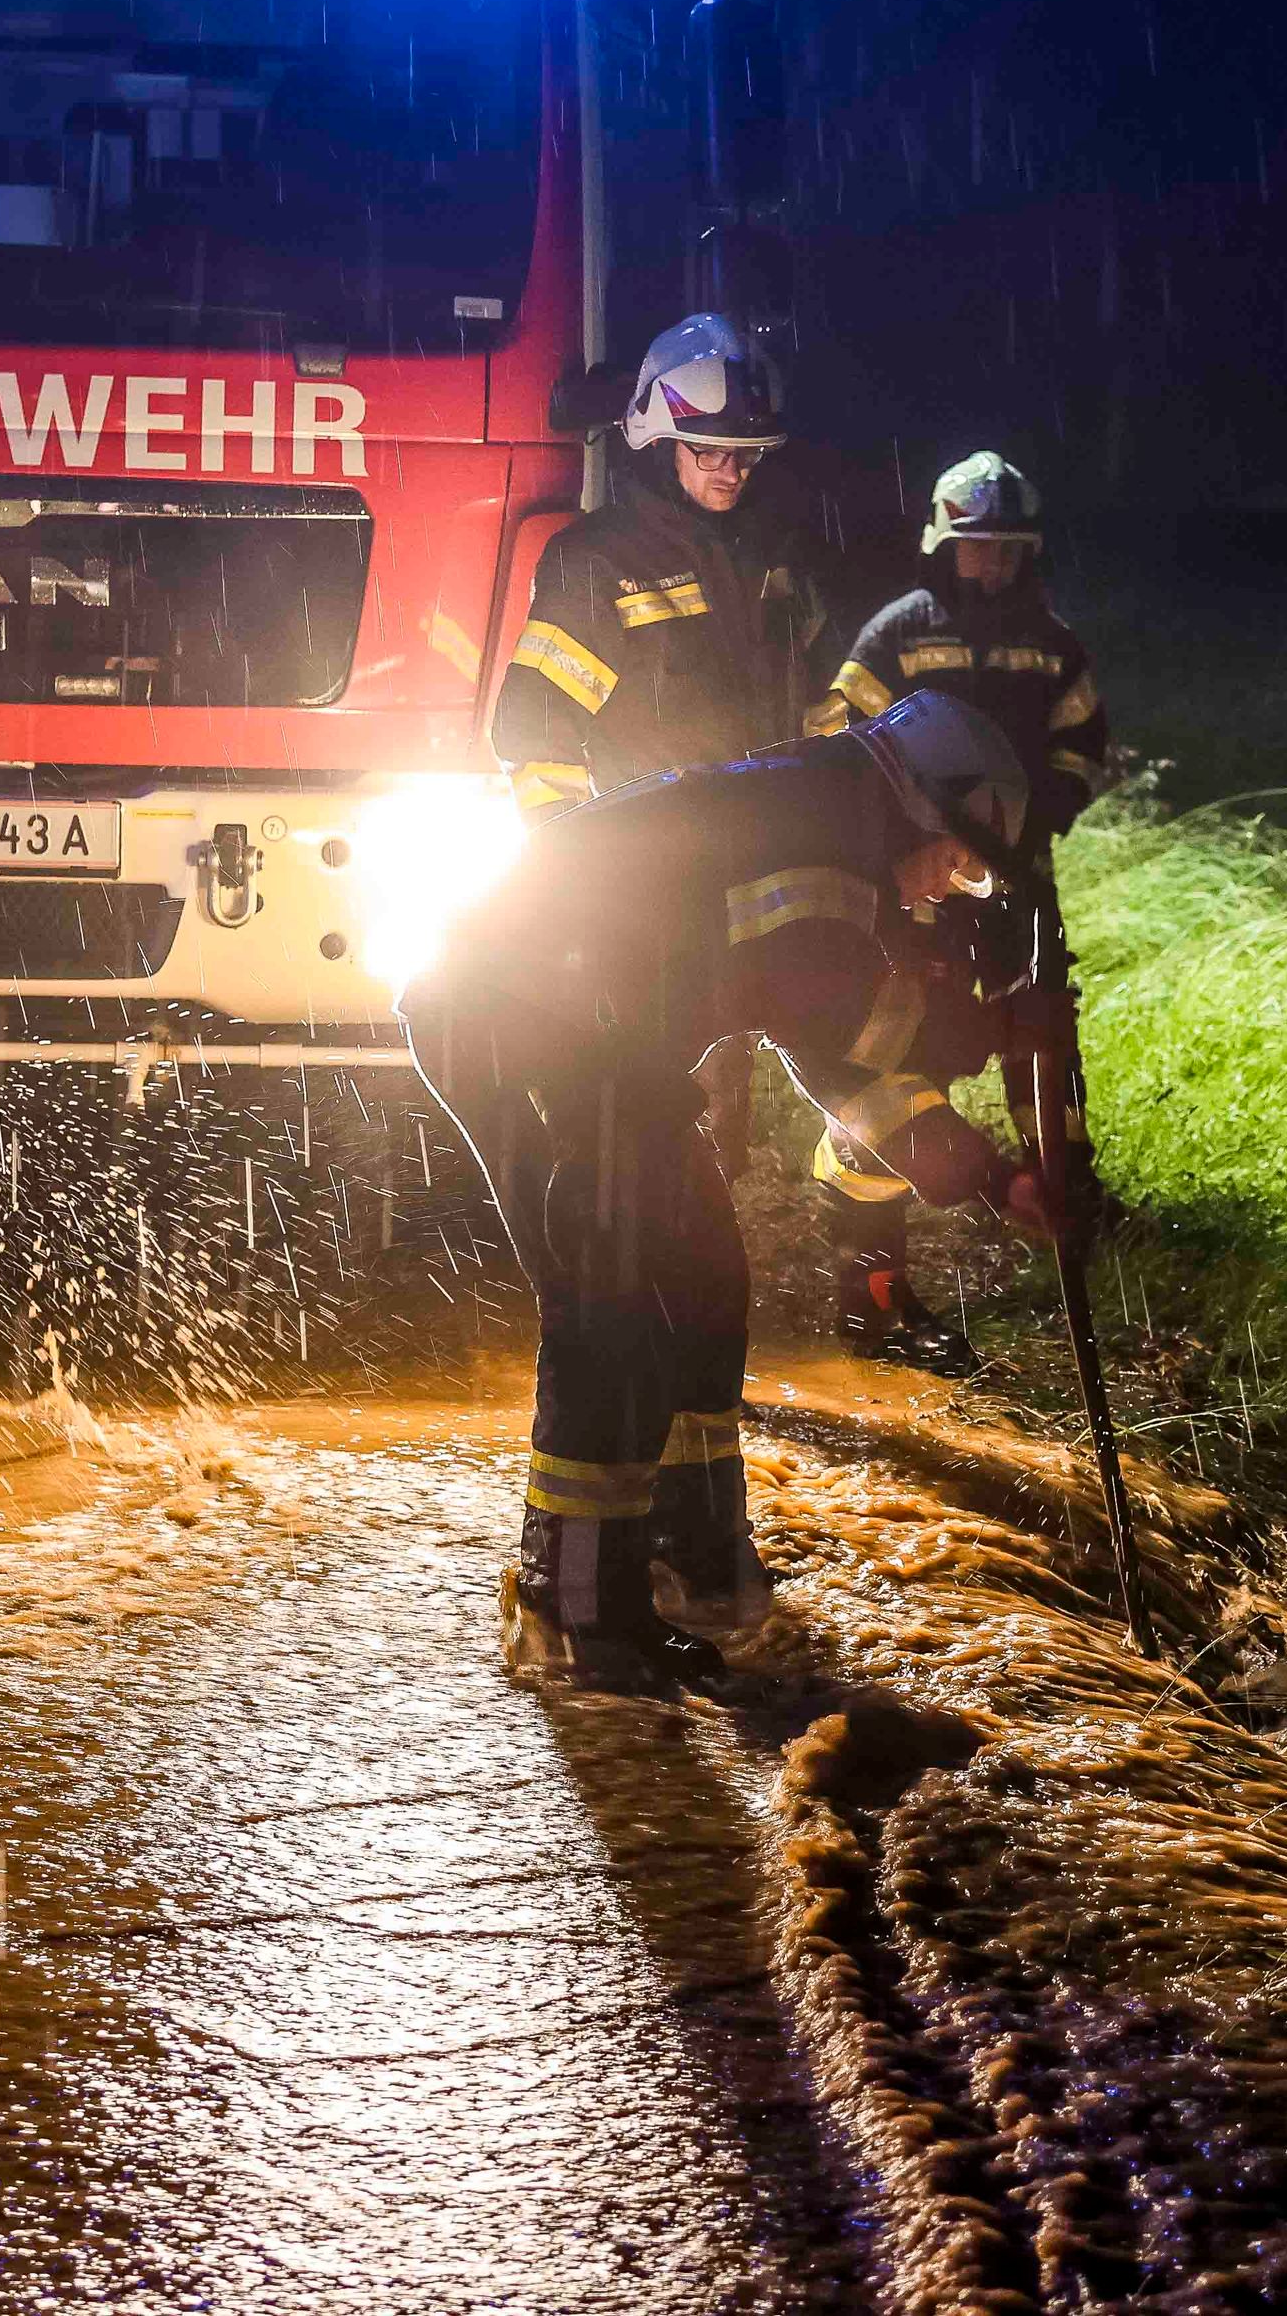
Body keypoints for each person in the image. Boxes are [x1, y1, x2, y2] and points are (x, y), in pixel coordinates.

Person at [403, 694, 1058, 1693]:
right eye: (953, 860)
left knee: (704, 1280)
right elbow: (841, 1045)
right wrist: (991, 1110)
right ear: (927, 804)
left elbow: (829, 1048)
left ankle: (690, 1557)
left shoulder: (828, 818)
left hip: (598, 1042)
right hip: (518, 1028)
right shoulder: (827, 858)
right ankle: (578, 1612)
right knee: (610, 1309)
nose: (945, 890)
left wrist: (992, 1175)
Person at [801, 452, 1110, 1373]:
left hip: (1018, 873)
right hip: (915, 880)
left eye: (1009, 548)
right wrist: (912, 837)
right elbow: (834, 741)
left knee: (1039, 1019)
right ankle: (874, 1282)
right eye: (978, 547)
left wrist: (1028, 826)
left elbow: (1083, 749)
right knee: (897, 1052)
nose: (994, 564)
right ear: (945, 543)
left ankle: (1065, 1183)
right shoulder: (897, 634)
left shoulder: (1052, 641)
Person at [488, 311, 824, 822]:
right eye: (709, 452)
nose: (732, 473)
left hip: (770, 841)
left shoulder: (773, 554)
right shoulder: (596, 562)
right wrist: (570, 856)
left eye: (745, 453)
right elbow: (537, 726)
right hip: (656, 861)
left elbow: (823, 696)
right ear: (662, 446)